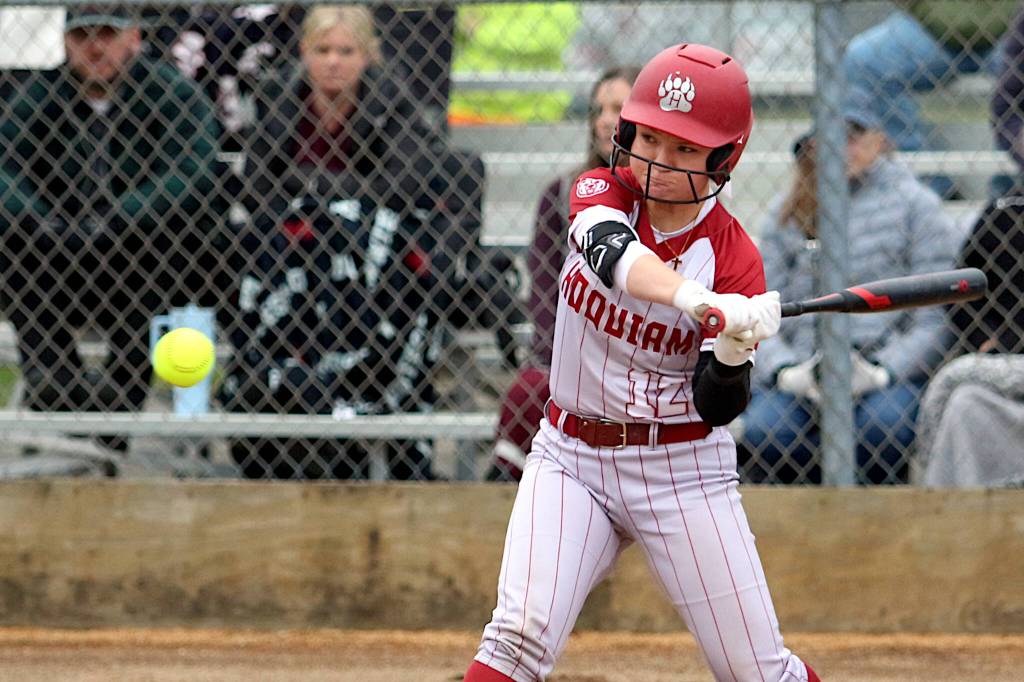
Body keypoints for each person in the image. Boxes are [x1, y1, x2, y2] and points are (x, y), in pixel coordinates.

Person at [463, 44, 820, 682]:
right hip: (571, 456)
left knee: (757, 672)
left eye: (685, 148)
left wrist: (734, 349)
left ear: (723, 158)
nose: (659, 160)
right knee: (516, 639)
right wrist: (695, 299)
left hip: (681, 470)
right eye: (650, 138)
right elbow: (614, 256)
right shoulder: (599, 190)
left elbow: (718, 406)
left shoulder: (736, 259)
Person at [219, 4, 441, 480]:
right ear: (303, 52)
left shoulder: (390, 101)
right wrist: (330, 195)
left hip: (368, 249)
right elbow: (259, 185)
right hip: (292, 245)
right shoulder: (281, 97)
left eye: (346, 50)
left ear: (367, 56)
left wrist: (314, 189)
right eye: (322, 50)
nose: (333, 62)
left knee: (361, 226)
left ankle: (360, 379)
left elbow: (401, 186)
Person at [0, 5, 221, 450]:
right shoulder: (41, 94)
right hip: (57, 248)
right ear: (64, 43)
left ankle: (118, 403)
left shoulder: (167, 93)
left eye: (107, 35)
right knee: (12, 252)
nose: (95, 48)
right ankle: (56, 382)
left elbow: (194, 167)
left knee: (162, 253)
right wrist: (38, 216)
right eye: (83, 38)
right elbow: (6, 168)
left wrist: (127, 214)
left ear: (133, 40)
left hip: (138, 248)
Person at [737, 92, 961, 485]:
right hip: (805, 374)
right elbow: (760, 309)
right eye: (828, 135)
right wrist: (789, 371)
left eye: (853, 135)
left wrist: (881, 372)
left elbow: (934, 319)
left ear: (879, 140)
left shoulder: (916, 206)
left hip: (882, 371)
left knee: (884, 426)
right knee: (767, 429)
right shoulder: (787, 212)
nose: (841, 147)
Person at [485, 65, 638, 482]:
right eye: (598, 109)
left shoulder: (668, 199)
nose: (605, 120)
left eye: (618, 108)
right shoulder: (562, 194)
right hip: (570, 356)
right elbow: (546, 297)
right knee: (528, 392)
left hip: (643, 358)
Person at [843, 1, 1017, 198]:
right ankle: (927, 190)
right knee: (860, 59)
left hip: (1012, 28)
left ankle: (1009, 196)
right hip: (931, 29)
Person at [914, 190, 1024, 486]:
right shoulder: (1007, 208)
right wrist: (988, 339)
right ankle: (961, 519)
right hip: (1006, 363)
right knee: (965, 404)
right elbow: (963, 289)